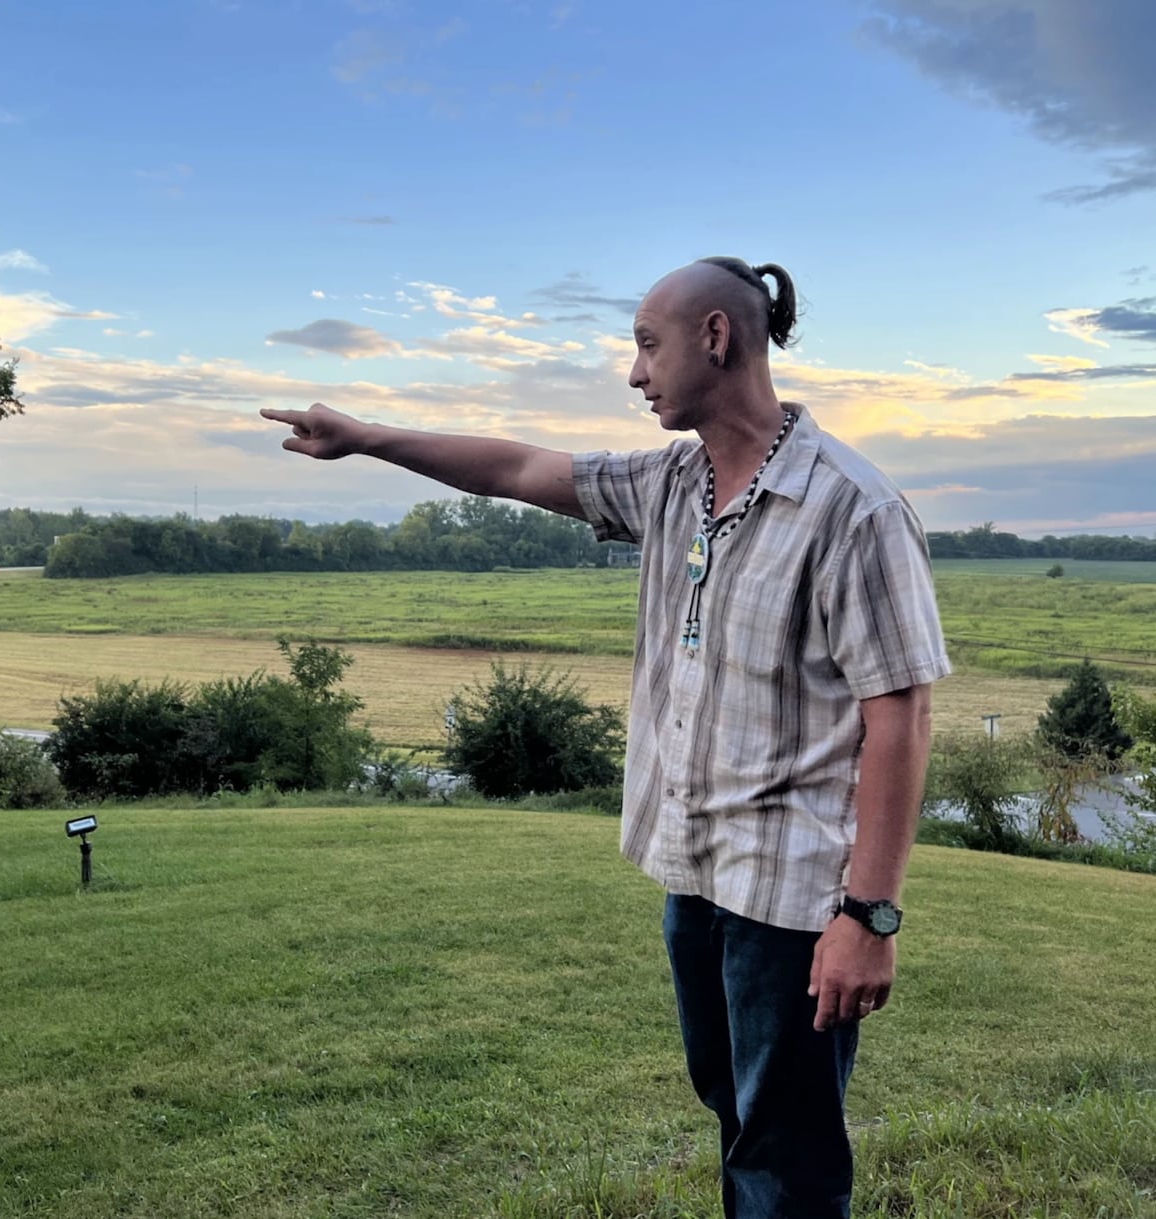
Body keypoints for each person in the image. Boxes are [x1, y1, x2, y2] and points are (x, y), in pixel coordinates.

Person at [261, 256, 949, 1219]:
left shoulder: (851, 507)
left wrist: (868, 917)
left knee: (787, 1151)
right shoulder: (673, 484)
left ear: (716, 337)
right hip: (699, 879)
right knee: (738, 1118)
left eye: (645, 345)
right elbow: (515, 468)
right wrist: (368, 438)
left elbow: (900, 713)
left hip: (793, 898)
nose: (634, 374)